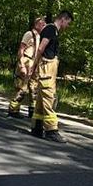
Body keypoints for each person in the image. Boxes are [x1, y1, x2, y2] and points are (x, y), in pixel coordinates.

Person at [29, 10, 74, 143]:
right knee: (49, 98)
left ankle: (37, 127)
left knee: (41, 99)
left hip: (48, 67)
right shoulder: (51, 29)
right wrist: (34, 64)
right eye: (68, 23)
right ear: (63, 19)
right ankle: (51, 130)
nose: (67, 26)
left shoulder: (52, 30)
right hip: (47, 67)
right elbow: (41, 48)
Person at [7, 16, 46, 118]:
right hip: (27, 60)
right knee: (22, 88)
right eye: (42, 24)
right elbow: (21, 49)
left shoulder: (40, 36)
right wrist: (22, 65)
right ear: (36, 24)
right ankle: (13, 110)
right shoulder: (29, 34)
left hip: (35, 63)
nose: (43, 25)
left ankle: (32, 112)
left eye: (44, 24)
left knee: (34, 89)